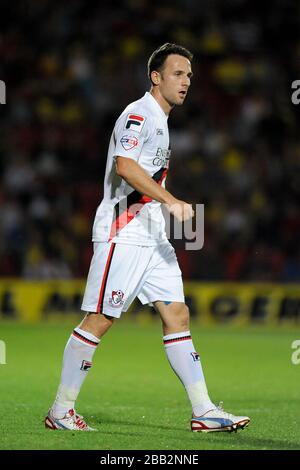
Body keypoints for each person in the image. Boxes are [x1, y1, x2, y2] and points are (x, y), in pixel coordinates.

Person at [45, 43, 250, 433]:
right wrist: (171, 200)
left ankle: (203, 410)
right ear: (156, 77)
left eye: (189, 75)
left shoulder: (160, 119)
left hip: (152, 236)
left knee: (177, 313)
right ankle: (61, 409)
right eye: (177, 73)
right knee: (100, 319)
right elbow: (124, 166)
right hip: (123, 233)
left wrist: (163, 210)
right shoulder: (139, 114)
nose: (186, 81)